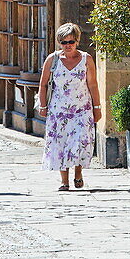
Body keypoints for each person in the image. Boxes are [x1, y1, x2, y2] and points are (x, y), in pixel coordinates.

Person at [38, 23, 101, 191]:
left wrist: (97, 107)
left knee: (80, 142)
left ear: (77, 41)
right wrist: (43, 105)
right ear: (59, 43)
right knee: (60, 144)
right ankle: (64, 181)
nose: (68, 46)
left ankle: (78, 173)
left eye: (71, 42)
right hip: (58, 111)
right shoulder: (53, 60)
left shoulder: (86, 59)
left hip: (82, 109)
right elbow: (43, 84)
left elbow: (93, 84)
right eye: (64, 42)